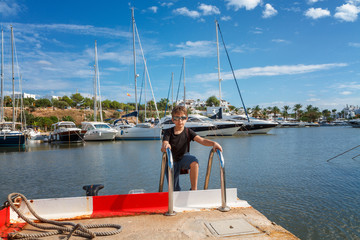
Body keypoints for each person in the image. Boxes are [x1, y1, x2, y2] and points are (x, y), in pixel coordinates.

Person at [161, 106, 223, 191]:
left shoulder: (188, 132)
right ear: (173, 119)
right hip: (171, 161)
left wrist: (214, 143)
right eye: (177, 118)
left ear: (186, 118)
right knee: (174, 190)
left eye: (182, 118)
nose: (180, 121)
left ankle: (194, 189)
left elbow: (202, 140)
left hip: (183, 157)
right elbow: (165, 143)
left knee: (194, 162)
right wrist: (166, 146)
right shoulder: (168, 132)